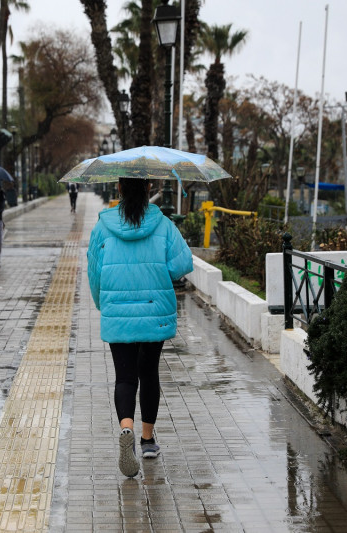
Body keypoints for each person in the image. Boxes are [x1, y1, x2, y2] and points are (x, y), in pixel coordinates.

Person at [87, 177, 193, 477]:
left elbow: (94, 273)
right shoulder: (164, 225)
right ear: (148, 189)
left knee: (124, 377)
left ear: (119, 189)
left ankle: (126, 428)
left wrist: (103, 304)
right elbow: (182, 264)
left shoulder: (102, 227)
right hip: (154, 309)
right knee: (149, 373)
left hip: (117, 311)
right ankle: (147, 441)